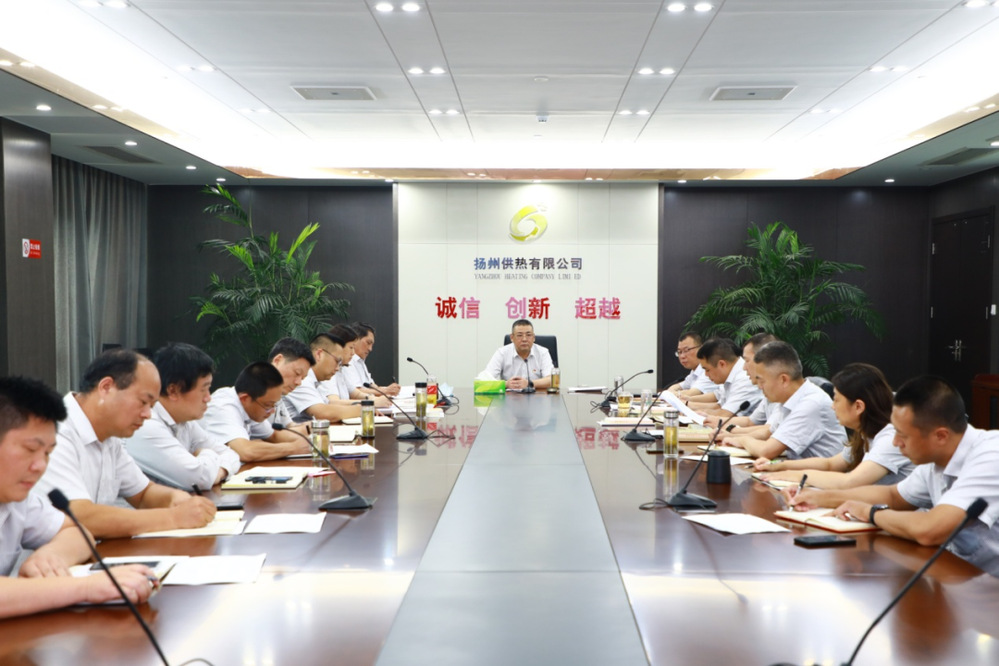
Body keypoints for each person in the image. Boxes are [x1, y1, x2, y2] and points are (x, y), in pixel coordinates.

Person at [787, 376, 999, 577]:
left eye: (903, 435)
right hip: (959, 576)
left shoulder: (991, 456)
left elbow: (929, 529)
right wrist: (818, 497)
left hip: (987, 588)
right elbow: (893, 496)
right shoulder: (935, 461)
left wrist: (870, 512)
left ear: (941, 436)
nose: (896, 442)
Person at [0, 376, 157, 618]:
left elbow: (77, 532)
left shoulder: (18, 499)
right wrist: (85, 588)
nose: (40, 466)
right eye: (30, 449)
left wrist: (51, 556)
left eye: (47, 453)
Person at [32, 349, 216, 540]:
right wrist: (173, 517)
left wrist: (175, 499)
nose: (147, 415)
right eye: (143, 402)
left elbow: (144, 494)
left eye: (151, 407)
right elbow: (78, 515)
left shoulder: (109, 436)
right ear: (106, 387)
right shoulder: (55, 432)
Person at [754, 363, 914, 487]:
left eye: (836, 400)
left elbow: (849, 482)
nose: (832, 406)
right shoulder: (865, 434)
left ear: (858, 406)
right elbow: (830, 464)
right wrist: (779, 466)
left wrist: (793, 475)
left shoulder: (890, 438)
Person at [126, 342, 241, 491]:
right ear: (173, 390)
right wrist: (207, 453)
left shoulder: (184, 421)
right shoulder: (146, 425)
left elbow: (231, 454)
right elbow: (198, 480)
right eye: (204, 390)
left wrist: (219, 471)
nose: (208, 398)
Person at [721, 341, 844, 460]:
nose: (759, 386)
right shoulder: (788, 399)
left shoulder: (811, 403)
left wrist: (742, 440)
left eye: (762, 381)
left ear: (783, 380)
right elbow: (769, 433)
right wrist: (731, 436)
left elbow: (766, 451)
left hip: (820, 474)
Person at [201, 361, 311, 461]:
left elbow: (274, 436)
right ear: (245, 399)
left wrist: (310, 442)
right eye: (268, 405)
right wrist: (293, 448)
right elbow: (246, 451)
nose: (272, 411)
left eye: (274, 405)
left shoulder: (250, 407)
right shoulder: (223, 407)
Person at [284, 333, 366, 422]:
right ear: (319, 354)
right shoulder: (300, 379)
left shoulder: (317, 381)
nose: (338, 368)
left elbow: (329, 407)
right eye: (337, 361)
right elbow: (323, 413)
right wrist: (365, 409)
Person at [715, 333, 779, 436]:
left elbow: (768, 431)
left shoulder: (786, 392)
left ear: (764, 360)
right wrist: (712, 420)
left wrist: (730, 431)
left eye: (747, 361)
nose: (744, 367)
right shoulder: (769, 390)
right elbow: (750, 421)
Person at [689, 338, 760, 418]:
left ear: (722, 364)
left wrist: (691, 412)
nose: (706, 374)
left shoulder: (744, 379)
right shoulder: (730, 376)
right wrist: (689, 407)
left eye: (707, 370)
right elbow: (719, 406)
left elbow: (725, 415)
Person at [481, 319, 554, 391]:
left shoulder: (542, 352)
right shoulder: (502, 353)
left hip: (537, 396)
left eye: (528, 335)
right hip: (509, 397)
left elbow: (552, 380)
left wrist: (529, 383)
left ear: (533, 337)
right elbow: (482, 381)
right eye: (519, 335)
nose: (524, 339)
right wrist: (506, 384)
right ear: (512, 338)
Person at [266, 337, 316, 429]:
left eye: (302, 378)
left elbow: (290, 426)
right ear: (278, 360)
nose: (299, 383)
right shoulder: (252, 394)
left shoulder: (277, 393)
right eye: (297, 373)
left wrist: (313, 426)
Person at [342, 322, 401, 397]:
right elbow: (356, 391)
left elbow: (372, 386)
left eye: (372, 345)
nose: (370, 349)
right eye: (368, 343)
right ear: (355, 339)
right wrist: (385, 391)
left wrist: (389, 389)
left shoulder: (360, 361)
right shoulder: (347, 361)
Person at [665, 331, 716, 397]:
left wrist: (668, 394)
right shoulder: (694, 372)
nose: (682, 356)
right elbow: (677, 386)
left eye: (686, 350)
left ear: (701, 349)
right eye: (679, 352)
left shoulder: (708, 371)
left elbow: (691, 393)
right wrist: (669, 393)